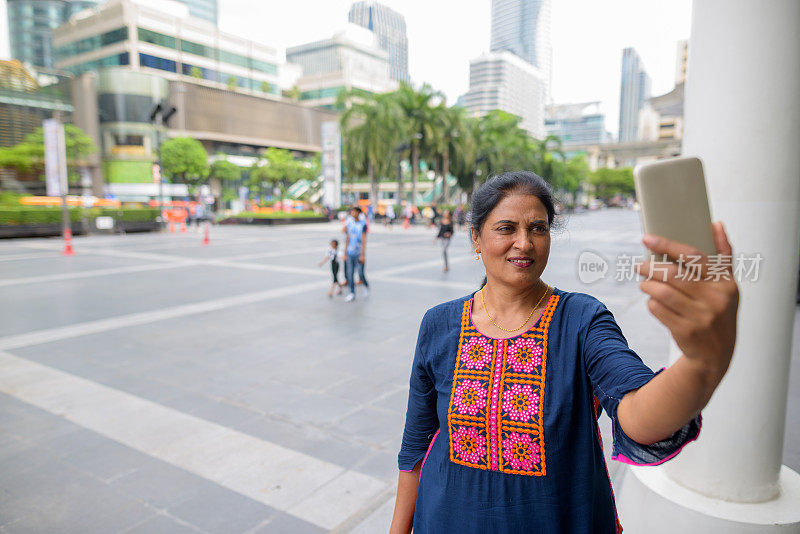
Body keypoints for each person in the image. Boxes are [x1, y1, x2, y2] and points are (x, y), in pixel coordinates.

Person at [390, 171, 739, 533]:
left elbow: (638, 415)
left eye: (538, 229)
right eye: (506, 228)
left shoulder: (581, 319)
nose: (524, 243)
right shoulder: (439, 324)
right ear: (476, 238)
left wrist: (701, 362)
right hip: (444, 519)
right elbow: (415, 448)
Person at [343, 206, 370, 302]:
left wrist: (363, 255)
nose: (352, 213)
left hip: (358, 253)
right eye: (352, 212)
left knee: (360, 273)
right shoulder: (349, 223)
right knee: (349, 274)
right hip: (350, 252)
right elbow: (347, 237)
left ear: (359, 213)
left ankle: (366, 286)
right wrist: (345, 252)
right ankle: (352, 292)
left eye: (354, 212)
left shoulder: (363, 225)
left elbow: (363, 240)